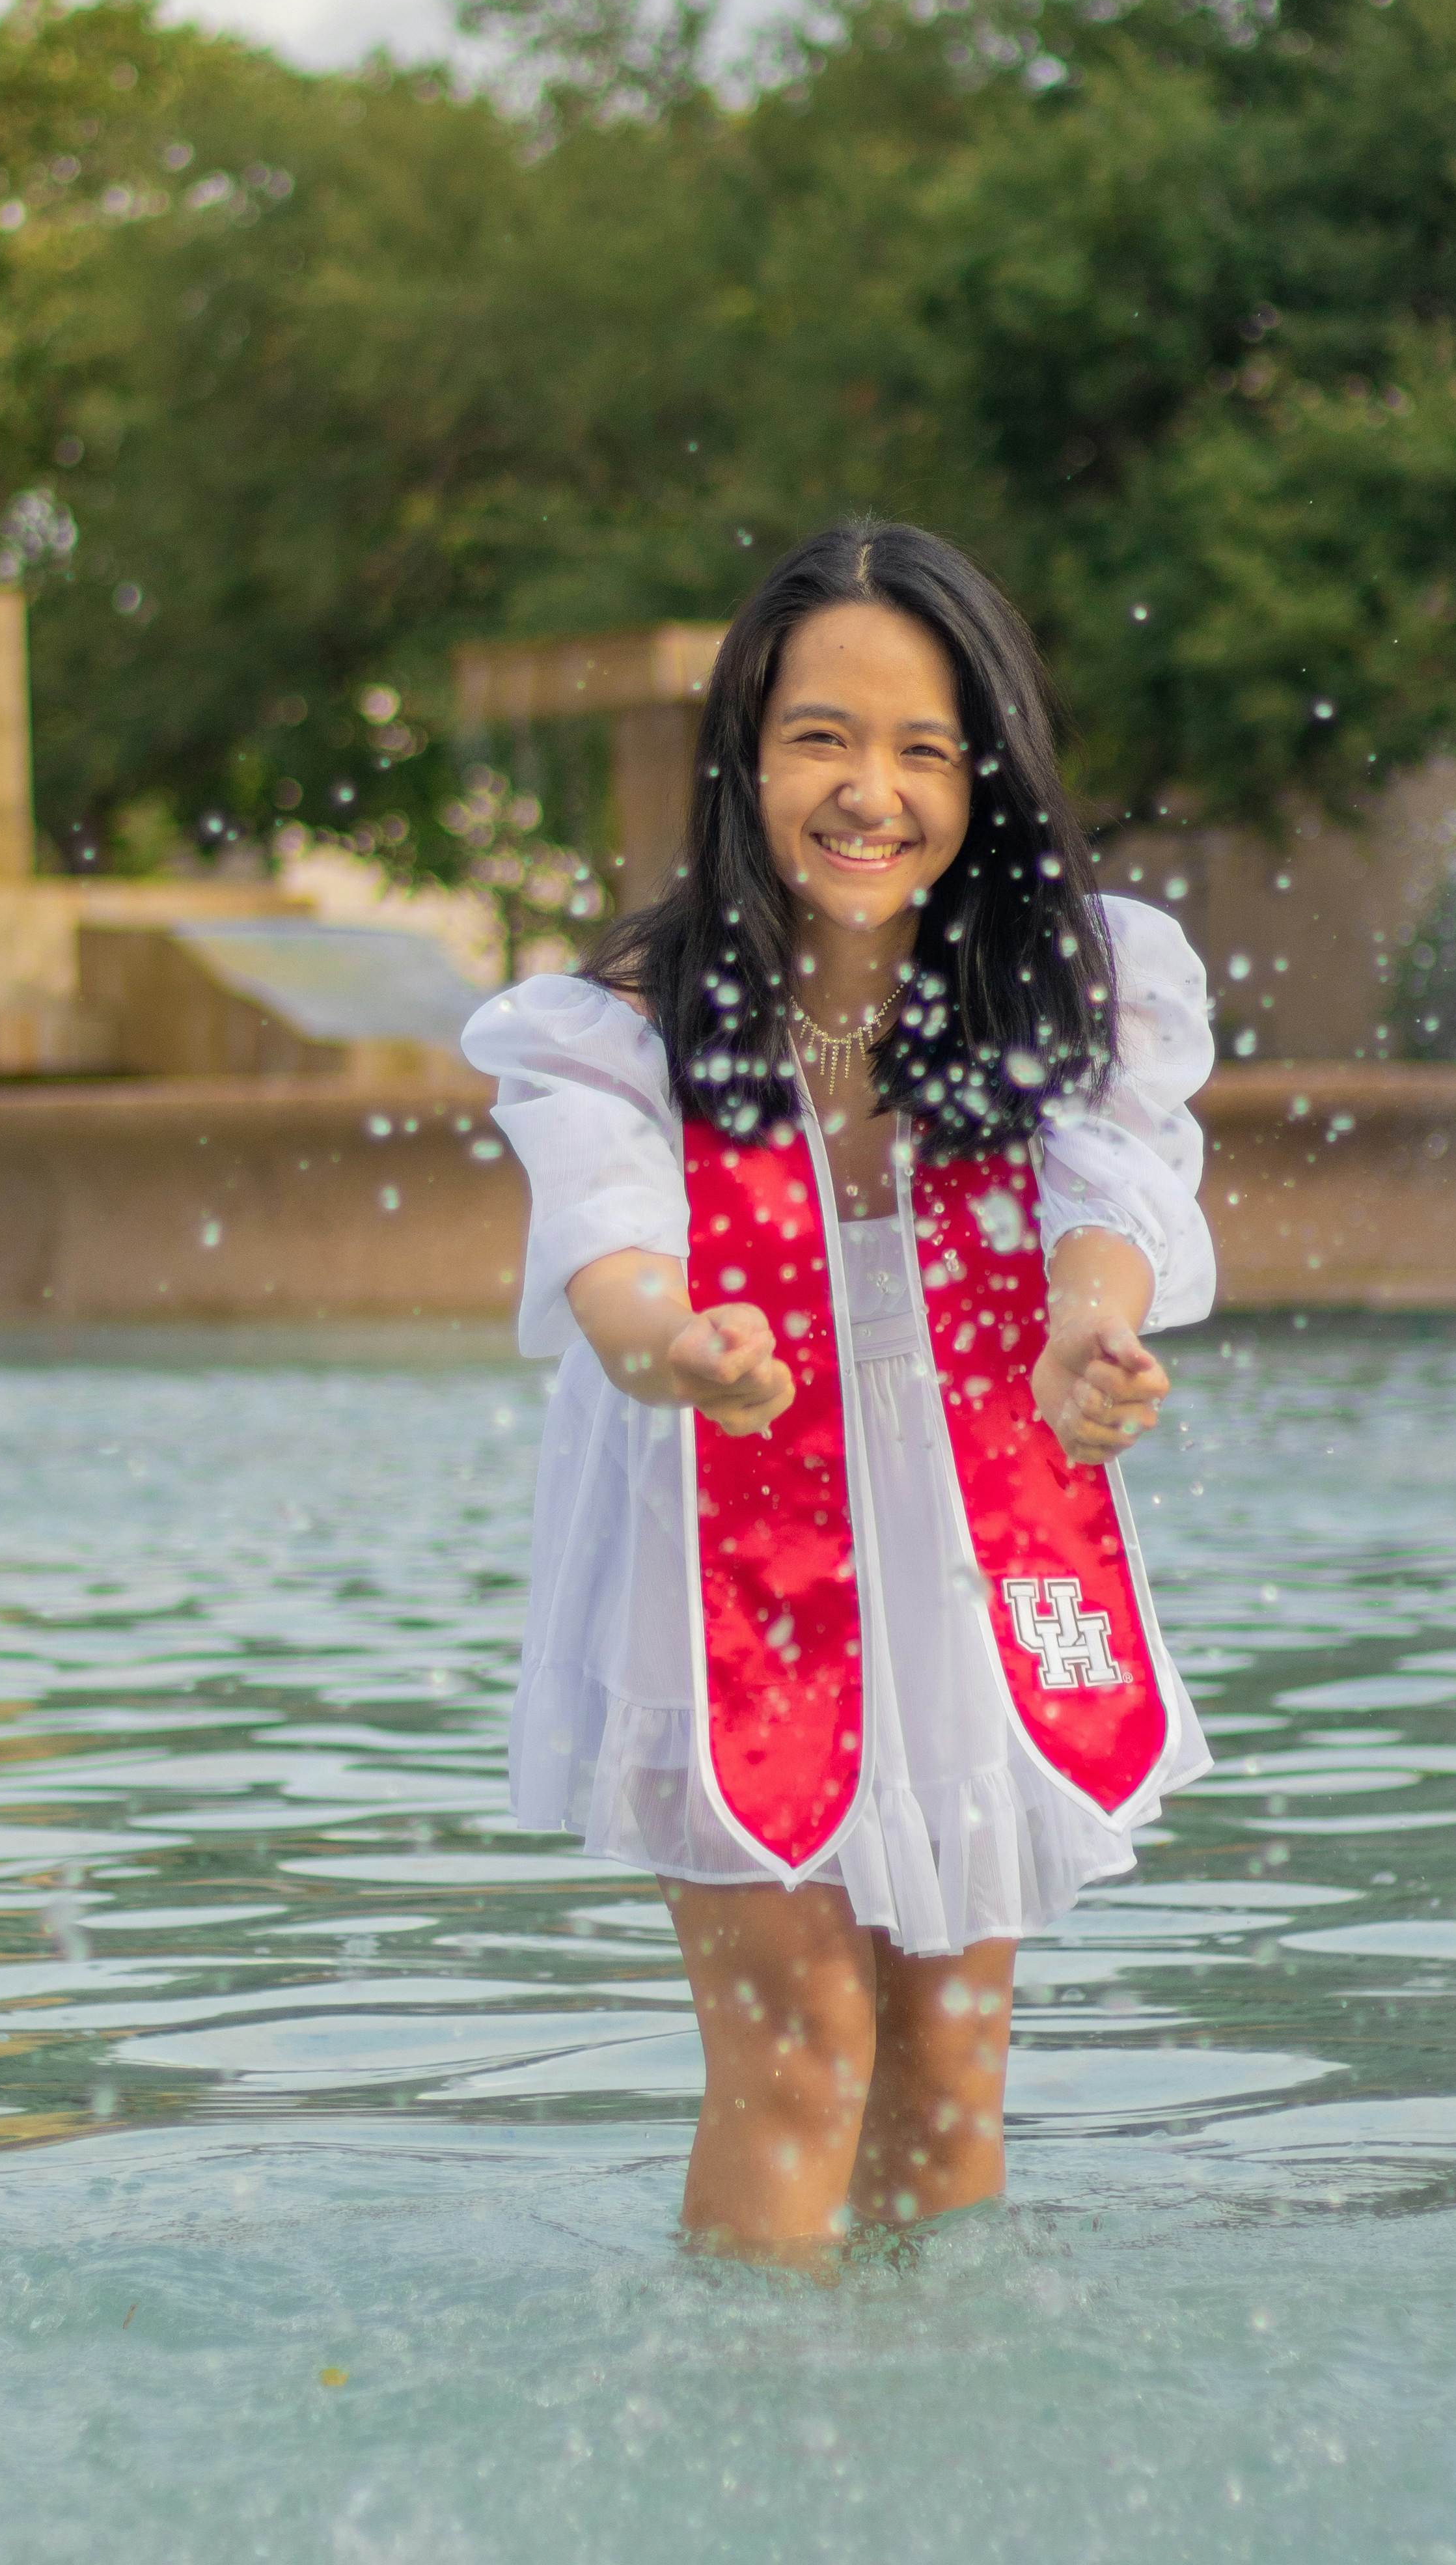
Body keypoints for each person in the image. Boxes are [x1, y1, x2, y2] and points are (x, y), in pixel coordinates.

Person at [461, 521, 1215, 2258]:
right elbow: (612, 1251)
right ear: (744, 753)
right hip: (724, 1513)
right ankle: (752, 2447)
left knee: (950, 2060)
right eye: (823, 738)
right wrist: (684, 1347)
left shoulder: (1064, 985)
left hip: (967, 1518)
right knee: (803, 2053)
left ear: (988, 775)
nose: (870, 791)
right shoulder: (626, 1024)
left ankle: (924, 2441)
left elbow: (1114, 1204)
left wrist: (1088, 1337)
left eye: (922, 750)